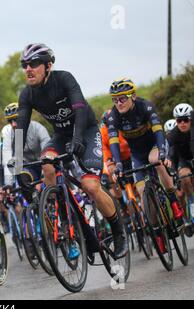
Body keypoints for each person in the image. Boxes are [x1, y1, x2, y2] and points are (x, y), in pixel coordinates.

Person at [12, 43, 128, 259]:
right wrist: (17, 164)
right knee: (47, 164)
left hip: (85, 130)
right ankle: (65, 223)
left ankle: (119, 232)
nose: (28, 69)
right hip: (61, 136)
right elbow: (20, 128)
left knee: (90, 186)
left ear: (48, 65)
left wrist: (77, 140)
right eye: (25, 65)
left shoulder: (64, 79)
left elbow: (80, 110)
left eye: (34, 64)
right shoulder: (27, 95)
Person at [106, 78, 185, 253]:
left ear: (132, 96)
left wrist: (163, 153)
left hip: (154, 146)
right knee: (142, 193)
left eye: (122, 98)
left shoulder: (145, 107)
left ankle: (173, 201)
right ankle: (157, 232)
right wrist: (118, 164)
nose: (118, 103)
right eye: (115, 99)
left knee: (155, 161)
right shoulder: (113, 116)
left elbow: (158, 130)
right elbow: (114, 143)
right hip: (137, 154)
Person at [2, 102, 50, 187]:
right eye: (10, 121)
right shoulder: (8, 133)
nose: (13, 124)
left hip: (44, 162)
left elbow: (47, 150)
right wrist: (8, 184)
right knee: (20, 174)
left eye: (16, 119)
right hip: (28, 166)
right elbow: (7, 159)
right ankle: (33, 200)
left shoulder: (38, 128)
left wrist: (44, 172)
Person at [167, 103, 194, 232]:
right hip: (185, 161)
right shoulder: (173, 135)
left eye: (186, 120)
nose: (182, 123)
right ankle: (190, 208)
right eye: (179, 120)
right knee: (184, 176)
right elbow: (171, 156)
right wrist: (173, 172)